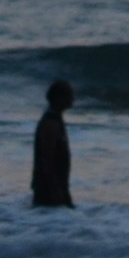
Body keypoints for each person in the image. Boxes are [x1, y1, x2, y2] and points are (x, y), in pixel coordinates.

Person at [31, 79, 75, 207]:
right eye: (69, 95)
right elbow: (47, 159)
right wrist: (56, 190)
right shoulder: (50, 124)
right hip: (48, 191)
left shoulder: (55, 120)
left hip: (55, 188)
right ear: (59, 98)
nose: (73, 99)